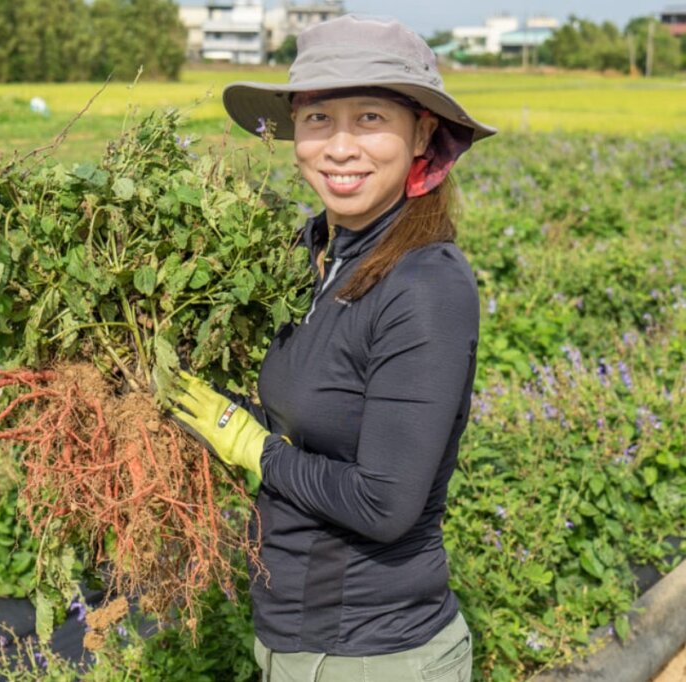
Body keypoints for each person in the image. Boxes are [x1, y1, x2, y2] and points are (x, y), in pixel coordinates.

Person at [168, 15, 496, 682]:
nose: (339, 147)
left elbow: (384, 503)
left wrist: (248, 445)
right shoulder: (311, 251)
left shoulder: (425, 286)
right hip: (290, 635)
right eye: (318, 119)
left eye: (370, 117)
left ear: (422, 132)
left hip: (376, 655)